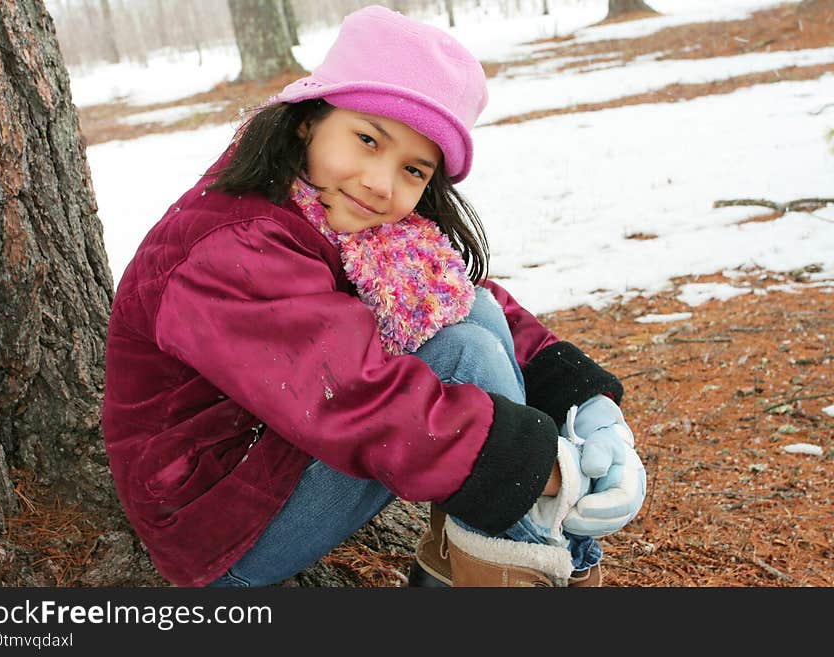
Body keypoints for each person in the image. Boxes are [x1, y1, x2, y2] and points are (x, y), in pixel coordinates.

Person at [102, 5, 646, 589]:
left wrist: (585, 407)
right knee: (466, 357)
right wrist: (539, 468)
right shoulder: (233, 246)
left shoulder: (342, 214)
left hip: (273, 455)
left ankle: (491, 552)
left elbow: (466, 300)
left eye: (413, 170)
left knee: (473, 318)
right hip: (214, 520)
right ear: (309, 119)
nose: (380, 183)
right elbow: (353, 400)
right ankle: (518, 561)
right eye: (366, 139)